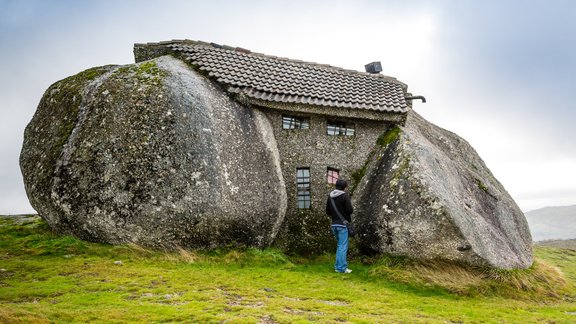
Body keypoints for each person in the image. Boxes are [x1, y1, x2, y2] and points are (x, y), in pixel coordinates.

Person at [326, 179, 353, 273]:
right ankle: (342, 268)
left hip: (334, 225)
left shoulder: (330, 196)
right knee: (343, 246)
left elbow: (327, 211)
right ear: (344, 187)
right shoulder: (344, 196)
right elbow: (350, 210)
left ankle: (338, 267)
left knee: (340, 246)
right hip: (343, 225)